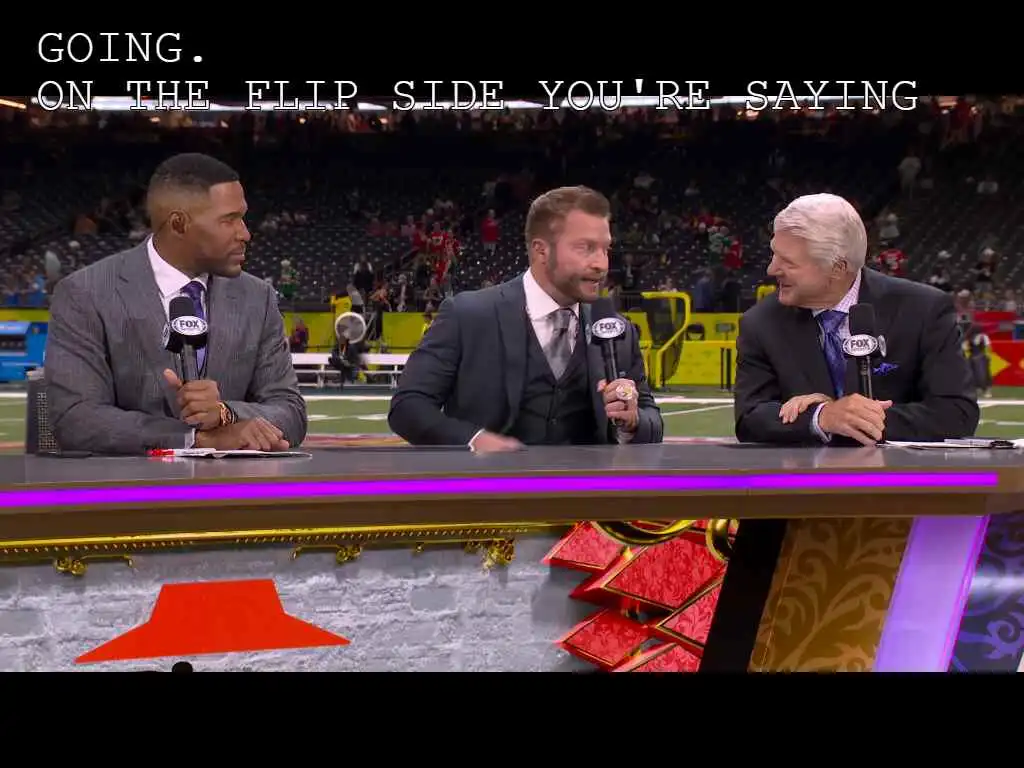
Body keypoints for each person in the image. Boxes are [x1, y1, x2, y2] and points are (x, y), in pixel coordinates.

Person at [46, 152, 307, 455]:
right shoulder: (86, 294)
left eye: (242, 217)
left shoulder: (257, 298)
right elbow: (76, 420)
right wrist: (195, 439)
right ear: (179, 224)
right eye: (229, 220)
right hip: (128, 484)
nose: (245, 234)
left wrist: (225, 413)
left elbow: (291, 412)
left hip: (230, 485)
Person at [388, 185, 662, 451]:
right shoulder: (468, 315)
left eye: (605, 249)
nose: (601, 264)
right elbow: (408, 406)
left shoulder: (617, 330)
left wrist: (633, 421)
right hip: (487, 480)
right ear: (541, 250)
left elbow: (652, 419)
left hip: (582, 482)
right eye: (585, 248)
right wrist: (473, 441)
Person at [734, 193, 978, 446]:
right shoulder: (761, 322)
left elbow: (957, 412)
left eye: (788, 262)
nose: (772, 269)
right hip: (808, 471)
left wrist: (854, 418)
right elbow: (750, 417)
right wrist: (821, 417)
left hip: (898, 470)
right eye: (774, 254)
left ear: (838, 268)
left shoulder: (923, 309)